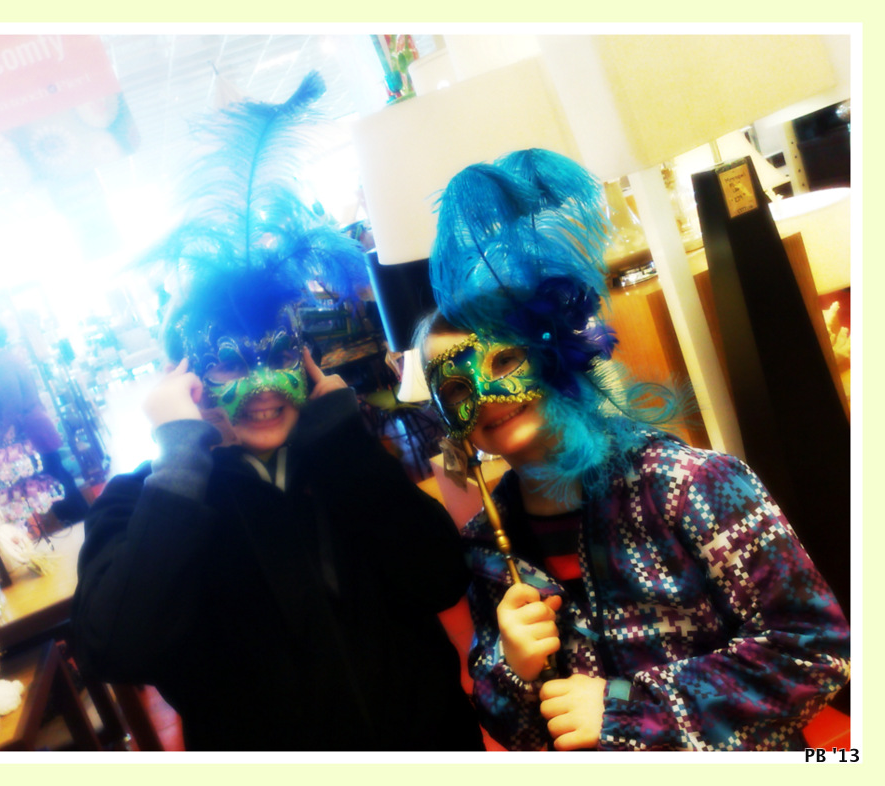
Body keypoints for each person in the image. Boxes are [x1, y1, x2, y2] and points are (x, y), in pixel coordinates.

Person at [70, 73, 484, 751]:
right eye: (230, 361)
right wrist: (177, 465)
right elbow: (118, 647)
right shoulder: (138, 505)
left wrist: (345, 442)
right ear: (183, 378)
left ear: (306, 358)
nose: (263, 386)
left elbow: (439, 576)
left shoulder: (344, 462)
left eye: (279, 353)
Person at [417, 148, 850, 751]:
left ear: (553, 353)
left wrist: (623, 708)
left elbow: (813, 651)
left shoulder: (693, 486)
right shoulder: (490, 547)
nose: (485, 397)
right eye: (458, 390)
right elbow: (517, 729)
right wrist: (513, 668)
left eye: (504, 360)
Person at [0, 318, 91, 524]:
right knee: (55, 471)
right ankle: (81, 515)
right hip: (34, 425)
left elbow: (12, 403)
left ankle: (77, 517)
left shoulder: (3, 365)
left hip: (30, 428)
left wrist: (2, 434)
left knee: (52, 475)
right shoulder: (7, 361)